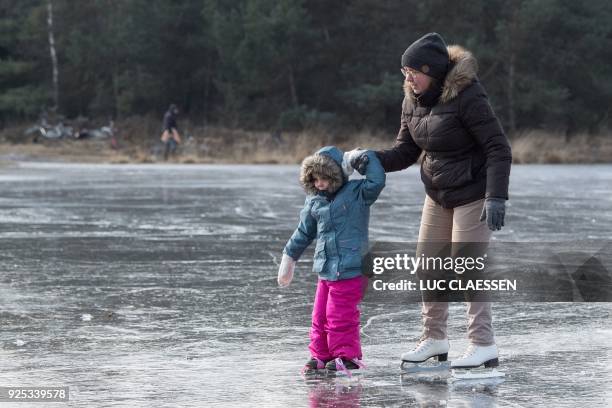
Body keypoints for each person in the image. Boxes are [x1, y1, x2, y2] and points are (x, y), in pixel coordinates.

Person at [355, 32, 512, 370]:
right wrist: (371, 158)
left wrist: (496, 196)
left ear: (434, 70)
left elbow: (499, 148)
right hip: (438, 193)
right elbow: (405, 151)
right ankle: (435, 340)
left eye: (413, 71)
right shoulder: (412, 99)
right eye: (404, 71)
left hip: (473, 191)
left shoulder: (468, 97)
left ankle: (483, 344)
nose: (408, 78)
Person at [277, 146, 385, 374]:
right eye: (314, 179)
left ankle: (347, 356)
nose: (319, 184)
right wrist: (289, 256)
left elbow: (377, 180)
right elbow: (304, 232)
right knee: (319, 315)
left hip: (352, 267)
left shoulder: (358, 193)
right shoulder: (314, 201)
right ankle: (320, 355)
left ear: (337, 174)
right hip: (326, 268)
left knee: (339, 315)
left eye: (324, 177)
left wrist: (362, 159)